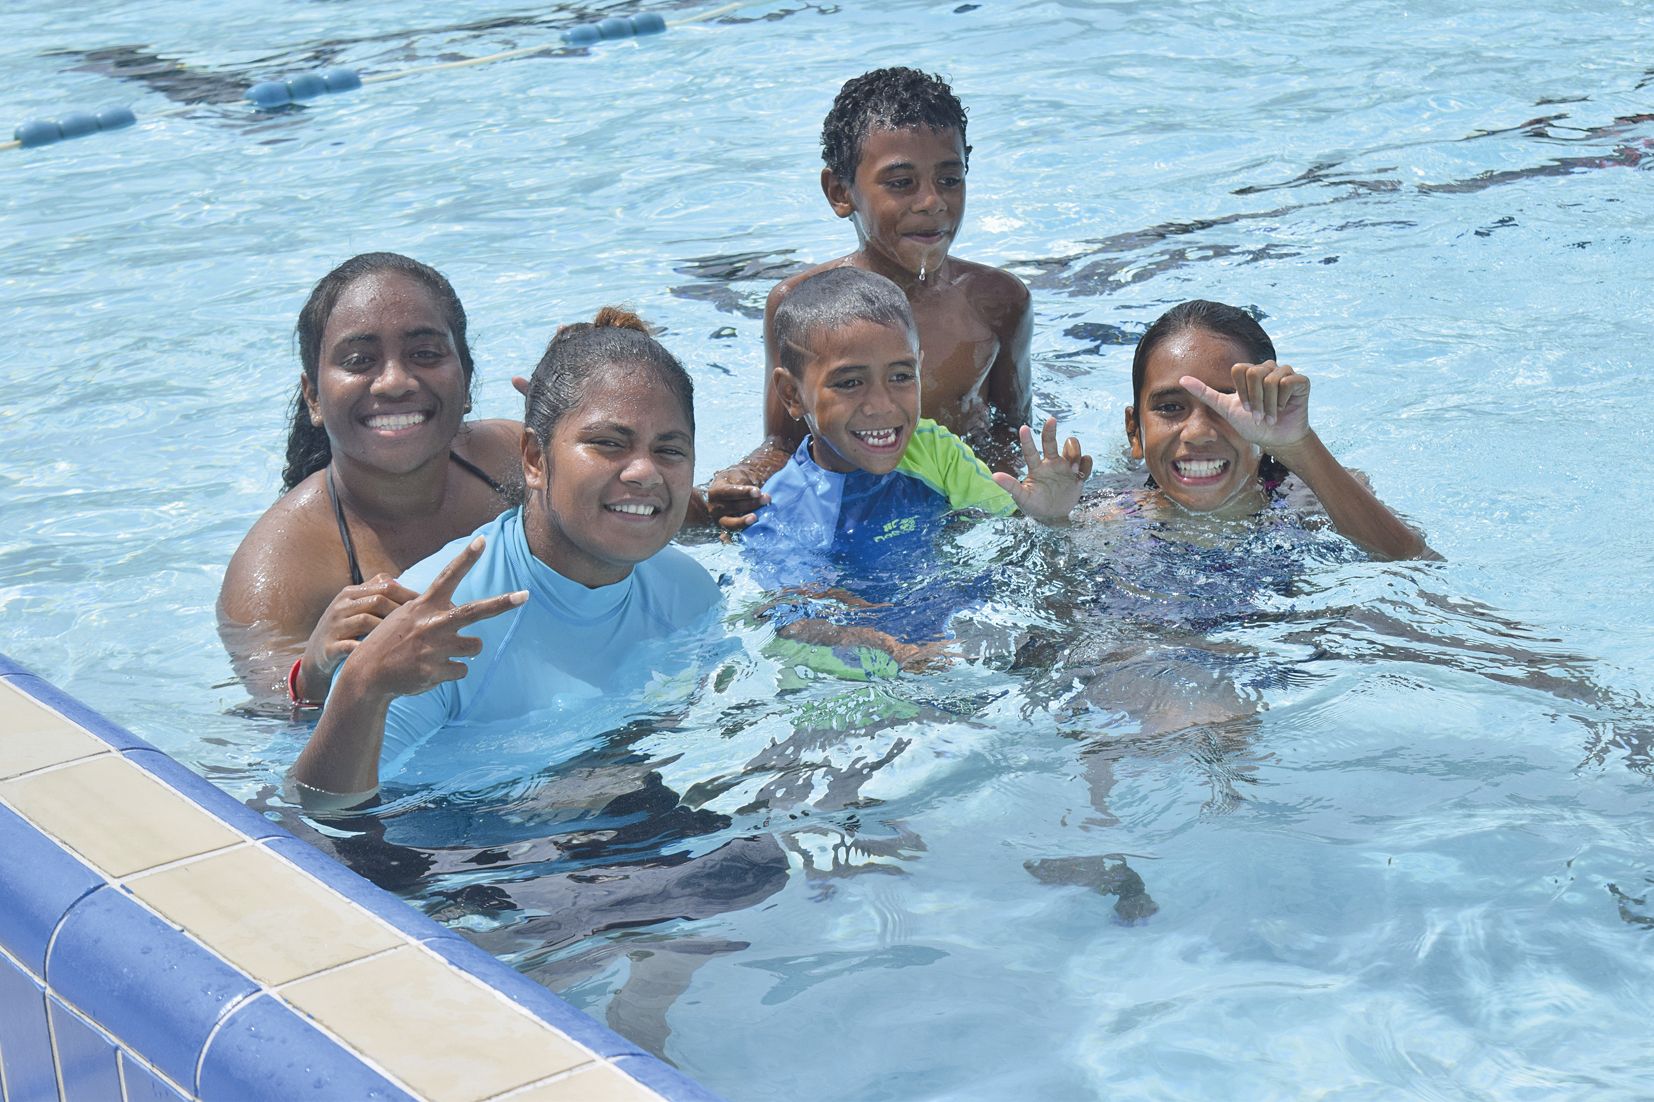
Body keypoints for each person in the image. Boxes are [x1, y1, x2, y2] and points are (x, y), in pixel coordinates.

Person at [289, 309, 721, 810]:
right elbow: (320, 812)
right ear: (536, 460)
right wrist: (363, 685)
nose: (645, 472)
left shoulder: (690, 592)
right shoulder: (436, 626)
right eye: (608, 444)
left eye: (670, 450)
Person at [705, 67, 1033, 529]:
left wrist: (991, 507)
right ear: (840, 193)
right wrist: (743, 479)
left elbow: (1012, 430)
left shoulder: (999, 301)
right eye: (901, 183)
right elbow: (783, 442)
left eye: (950, 179)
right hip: (850, 505)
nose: (931, 202)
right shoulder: (801, 307)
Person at [740, 267, 1089, 674]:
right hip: (879, 667)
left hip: (965, 633)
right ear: (791, 394)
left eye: (901, 376)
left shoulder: (933, 449)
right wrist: (893, 649)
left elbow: (1006, 534)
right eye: (850, 383)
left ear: (920, 369)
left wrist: (1049, 518)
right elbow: (794, 623)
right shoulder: (781, 510)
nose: (883, 404)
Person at [218, 253, 519, 705]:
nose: (394, 382)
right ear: (314, 397)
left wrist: (599, 450)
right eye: (360, 361)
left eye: (424, 354)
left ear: (468, 380)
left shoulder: (514, 459)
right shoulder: (278, 570)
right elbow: (277, 718)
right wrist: (316, 670)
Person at [1116, 298, 1433, 561]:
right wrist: (1062, 524)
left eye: (1227, 405)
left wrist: (1298, 445)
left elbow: (1417, 566)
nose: (1198, 432)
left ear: (1270, 411)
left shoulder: (1309, 499)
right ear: (1135, 433)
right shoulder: (1106, 511)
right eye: (1171, 407)